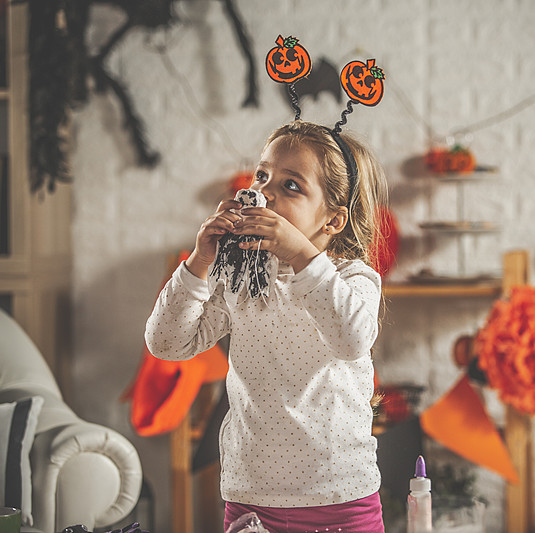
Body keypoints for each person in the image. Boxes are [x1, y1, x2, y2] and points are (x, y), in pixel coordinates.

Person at [145, 120, 388, 533]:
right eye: (262, 175)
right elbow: (167, 343)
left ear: (332, 220)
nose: (264, 192)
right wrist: (199, 263)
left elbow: (351, 340)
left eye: (291, 185)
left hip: (339, 497)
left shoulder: (352, 279)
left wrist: (300, 253)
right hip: (251, 496)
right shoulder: (241, 277)